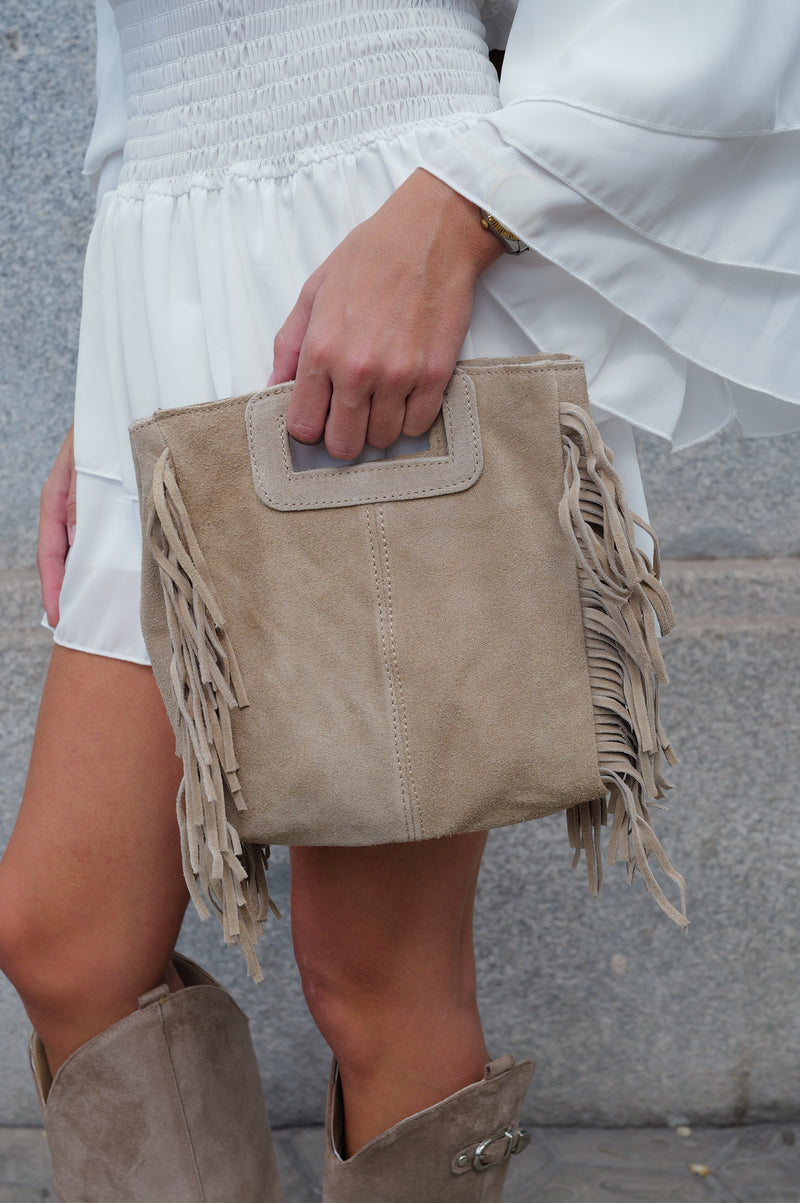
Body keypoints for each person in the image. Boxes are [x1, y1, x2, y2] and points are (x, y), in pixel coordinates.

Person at [1, 1, 798, 1200]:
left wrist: (460, 212)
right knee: (65, 941)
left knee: (373, 975)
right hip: (159, 297)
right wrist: (98, 386)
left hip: (371, 254)